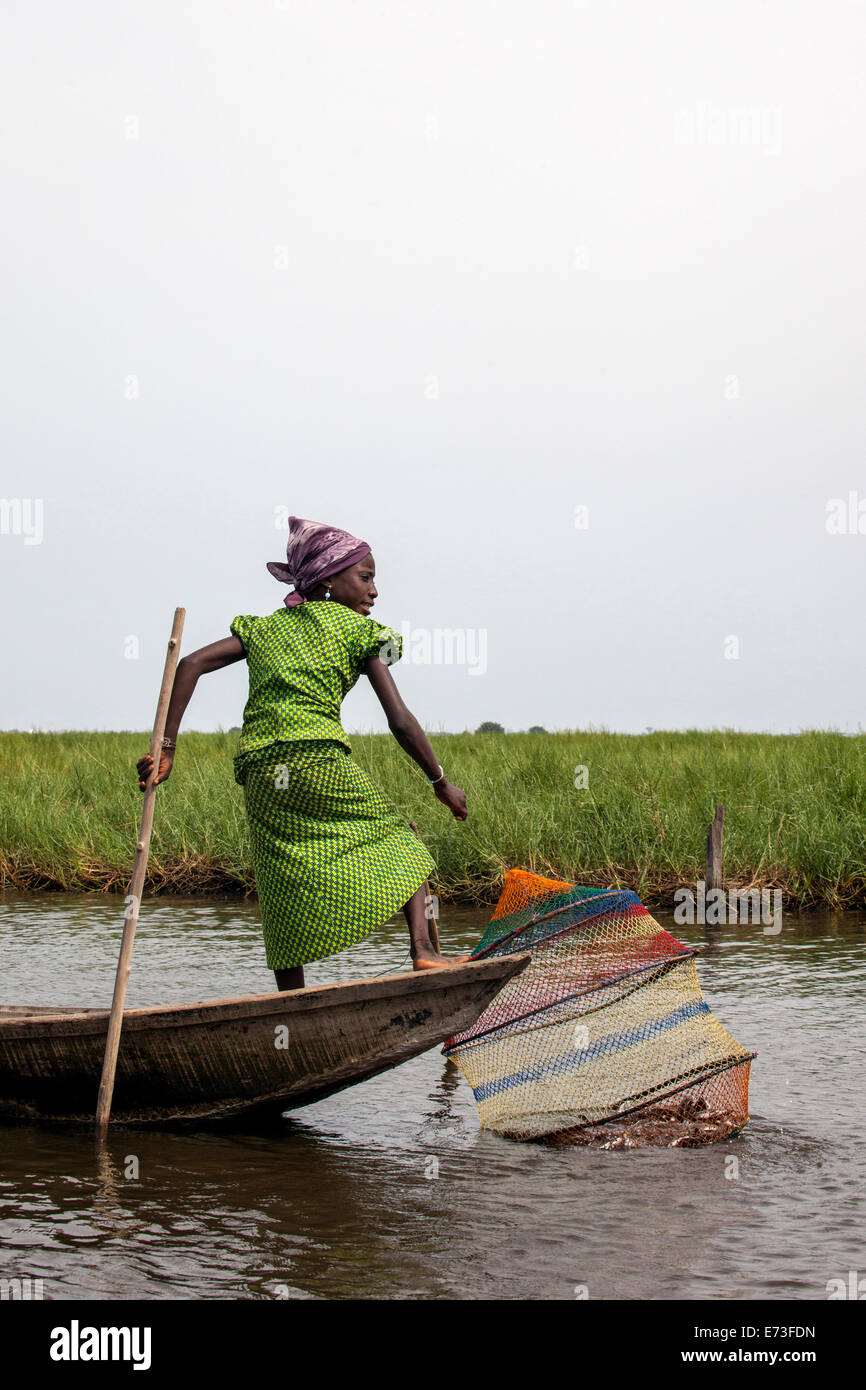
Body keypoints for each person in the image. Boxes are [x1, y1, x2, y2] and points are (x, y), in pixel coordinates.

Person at [136, 515, 469, 991]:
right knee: (401, 840)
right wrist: (439, 781)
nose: (374, 592)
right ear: (330, 580)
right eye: (366, 578)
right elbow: (401, 720)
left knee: (280, 879)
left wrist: (167, 749)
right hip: (316, 756)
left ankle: (292, 998)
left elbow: (189, 664)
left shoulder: (265, 628)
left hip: (260, 769)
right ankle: (425, 953)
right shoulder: (358, 632)